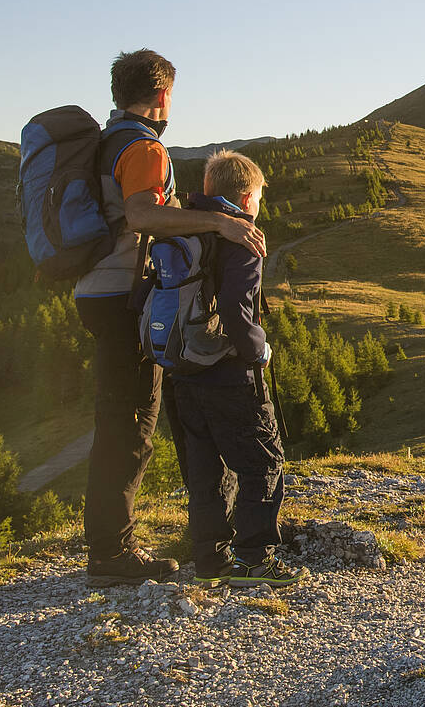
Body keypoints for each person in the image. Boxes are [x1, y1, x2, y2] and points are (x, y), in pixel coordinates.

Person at [75, 49, 266, 587]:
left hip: (95, 290)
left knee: (119, 417)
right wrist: (218, 224)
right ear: (162, 95)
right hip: (122, 296)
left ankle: (111, 545)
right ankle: (112, 554)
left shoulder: (105, 142)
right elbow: (140, 215)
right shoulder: (144, 147)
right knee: (130, 423)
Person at [174, 151, 306, 588]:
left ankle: (210, 561)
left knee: (206, 468)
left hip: (183, 367)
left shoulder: (182, 227)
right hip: (229, 371)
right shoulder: (243, 237)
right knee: (262, 461)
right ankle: (255, 560)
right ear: (248, 196)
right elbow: (236, 308)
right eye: (260, 198)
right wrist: (258, 351)